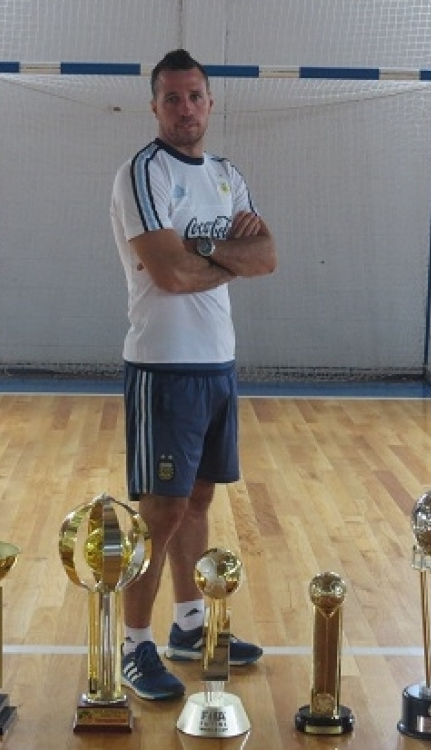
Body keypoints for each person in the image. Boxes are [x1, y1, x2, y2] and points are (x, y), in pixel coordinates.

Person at [109, 49, 277, 701]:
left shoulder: (228, 175)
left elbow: (267, 256)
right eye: (173, 98)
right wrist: (226, 255)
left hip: (218, 364)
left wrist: (201, 247)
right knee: (161, 510)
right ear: (154, 106)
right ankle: (134, 646)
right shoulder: (142, 173)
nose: (186, 109)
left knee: (200, 501)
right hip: (164, 366)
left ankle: (188, 625)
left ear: (211, 102)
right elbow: (169, 273)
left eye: (195, 96)